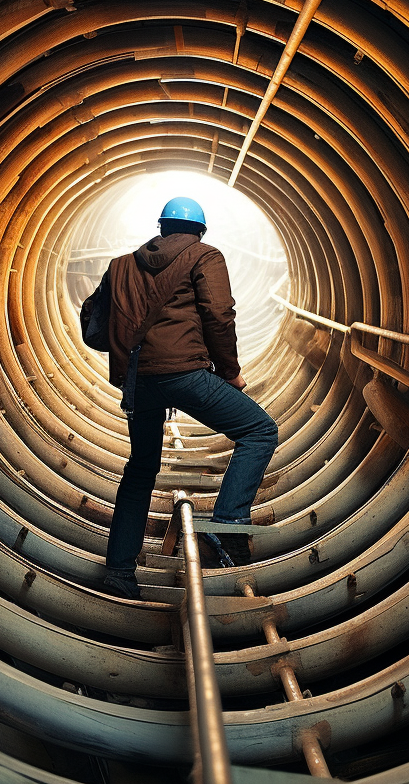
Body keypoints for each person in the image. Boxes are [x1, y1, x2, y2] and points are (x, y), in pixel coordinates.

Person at [95, 196, 279, 600]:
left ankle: (120, 571)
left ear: (161, 228)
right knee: (260, 431)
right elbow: (219, 313)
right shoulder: (205, 255)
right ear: (200, 231)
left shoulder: (120, 265)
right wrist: (229, 371)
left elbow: (97, 321)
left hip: (137, 381)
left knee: (141, 470)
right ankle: (226, 525)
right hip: (185, 375)